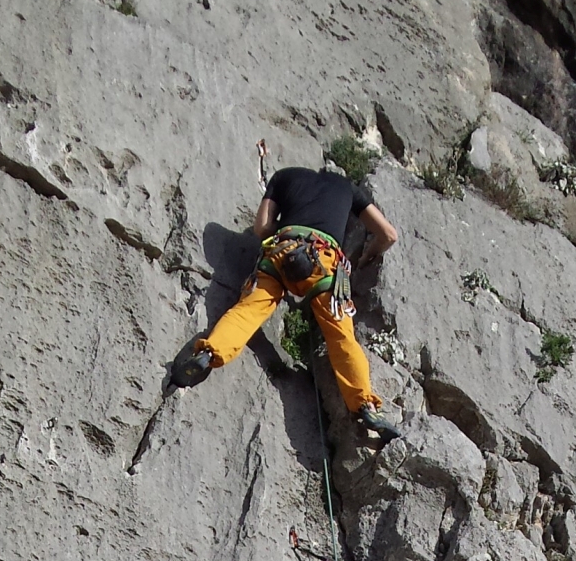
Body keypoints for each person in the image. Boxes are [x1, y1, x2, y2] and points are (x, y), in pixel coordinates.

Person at [170, 161, 402, 441]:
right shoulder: (347, 188)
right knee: (341, 337)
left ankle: (209, 353)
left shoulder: (284, 176)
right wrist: (367, 255)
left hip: (282, 250)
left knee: (248, 311)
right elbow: (388, 234)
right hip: (324, 261)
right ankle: (365, 406)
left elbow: (261, 228)